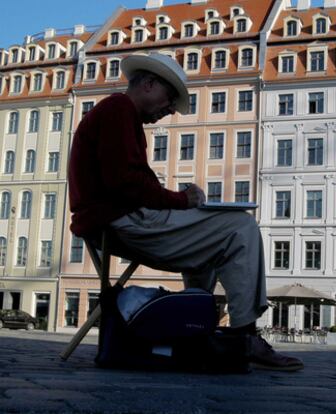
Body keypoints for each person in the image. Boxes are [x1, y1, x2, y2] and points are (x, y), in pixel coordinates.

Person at [68, 53, 303, 371]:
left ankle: (196, 332)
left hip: (111, 220)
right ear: (149, 84)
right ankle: (245, 336)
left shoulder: (119, 115)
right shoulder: (118, 109)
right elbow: (127, 184)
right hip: (122, 220)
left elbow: (128, 180)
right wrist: (183, 200)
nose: (167, 111)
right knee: (241, 227)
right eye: (169, 100)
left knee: (210, 248)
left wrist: (177, 201)